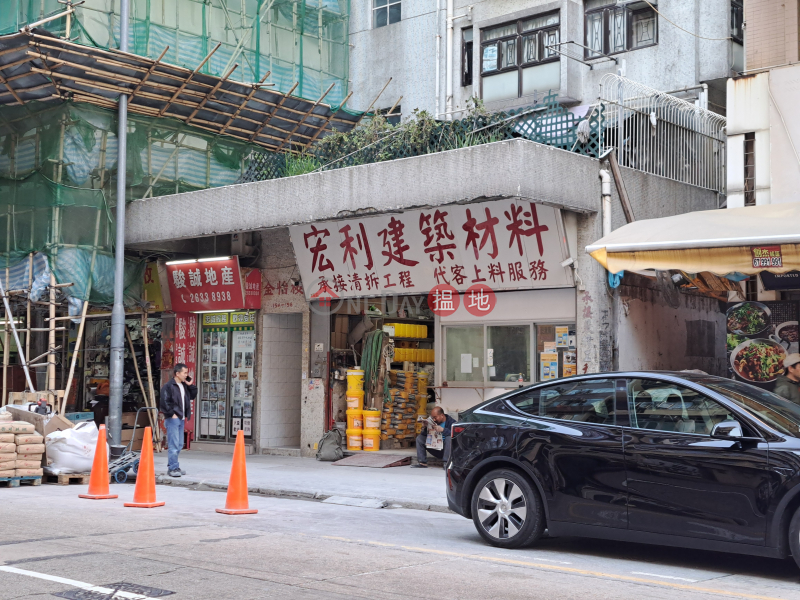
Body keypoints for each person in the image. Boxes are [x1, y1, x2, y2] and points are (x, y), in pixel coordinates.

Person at [159, 363, 197, 477]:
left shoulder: (183, 385)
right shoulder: (169, 386)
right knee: (174, 444)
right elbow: (164, 402)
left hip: (181, 418)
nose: (186, 375)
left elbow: (193, 395)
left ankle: (174, 465)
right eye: (184, 373)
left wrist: (190, 385)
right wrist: (172, 414)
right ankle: (172, 468)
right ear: (177, 373)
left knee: (180, 444)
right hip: (173, 418)